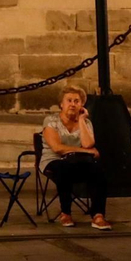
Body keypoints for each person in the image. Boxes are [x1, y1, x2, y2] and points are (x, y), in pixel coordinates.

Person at [40, 84, 112, 231]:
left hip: (78, 161)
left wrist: (81, 120)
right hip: (53, 161)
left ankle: (98, 215)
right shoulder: (51, 121)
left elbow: (88, 144)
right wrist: (86, 151)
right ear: (61, 104)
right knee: (63, 169)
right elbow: (57, 148)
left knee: (98, 171)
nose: (73, 104)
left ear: (82, 105)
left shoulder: (85, 123)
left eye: (76, 101)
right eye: (69, 100)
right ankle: (65, 213)